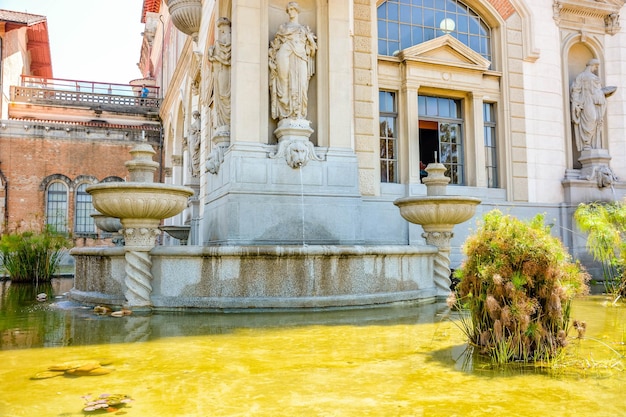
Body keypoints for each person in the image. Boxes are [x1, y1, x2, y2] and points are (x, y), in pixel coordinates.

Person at [269, 2, 317, 121]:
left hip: (300, 57)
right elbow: (275, 47)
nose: (290, 11)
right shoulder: (283, 28)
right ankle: (286, 112)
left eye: (292, 9)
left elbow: (312, 52)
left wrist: (311, 40)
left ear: (297, 11)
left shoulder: (304, 30)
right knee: (284, 81)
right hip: (285, 55)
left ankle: (299, 113)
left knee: (302, 84)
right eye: (288, 9)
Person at [570, 59, 616, 151]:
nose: (595, 69)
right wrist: (576, 103)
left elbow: (597, 91)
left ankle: (593, 144)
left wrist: (604, 92)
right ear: (591, 65)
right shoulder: (581, 76)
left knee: (596, 120)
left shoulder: (594, 78)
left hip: (595, 102)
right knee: (591, 118)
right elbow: (576, 89)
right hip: (585, 101)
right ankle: (586, 143)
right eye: (595, 67)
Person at [207, 17, 232, 130]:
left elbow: (227, 59)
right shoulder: (220, 41)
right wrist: (212, 56)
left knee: (224, 94)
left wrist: (215, 57)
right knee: (221, 95)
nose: (221, 31)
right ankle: (223, 124)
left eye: (222, 28)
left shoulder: (228, 39)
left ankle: (226, 123)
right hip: (219, 71)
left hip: (224, 71)